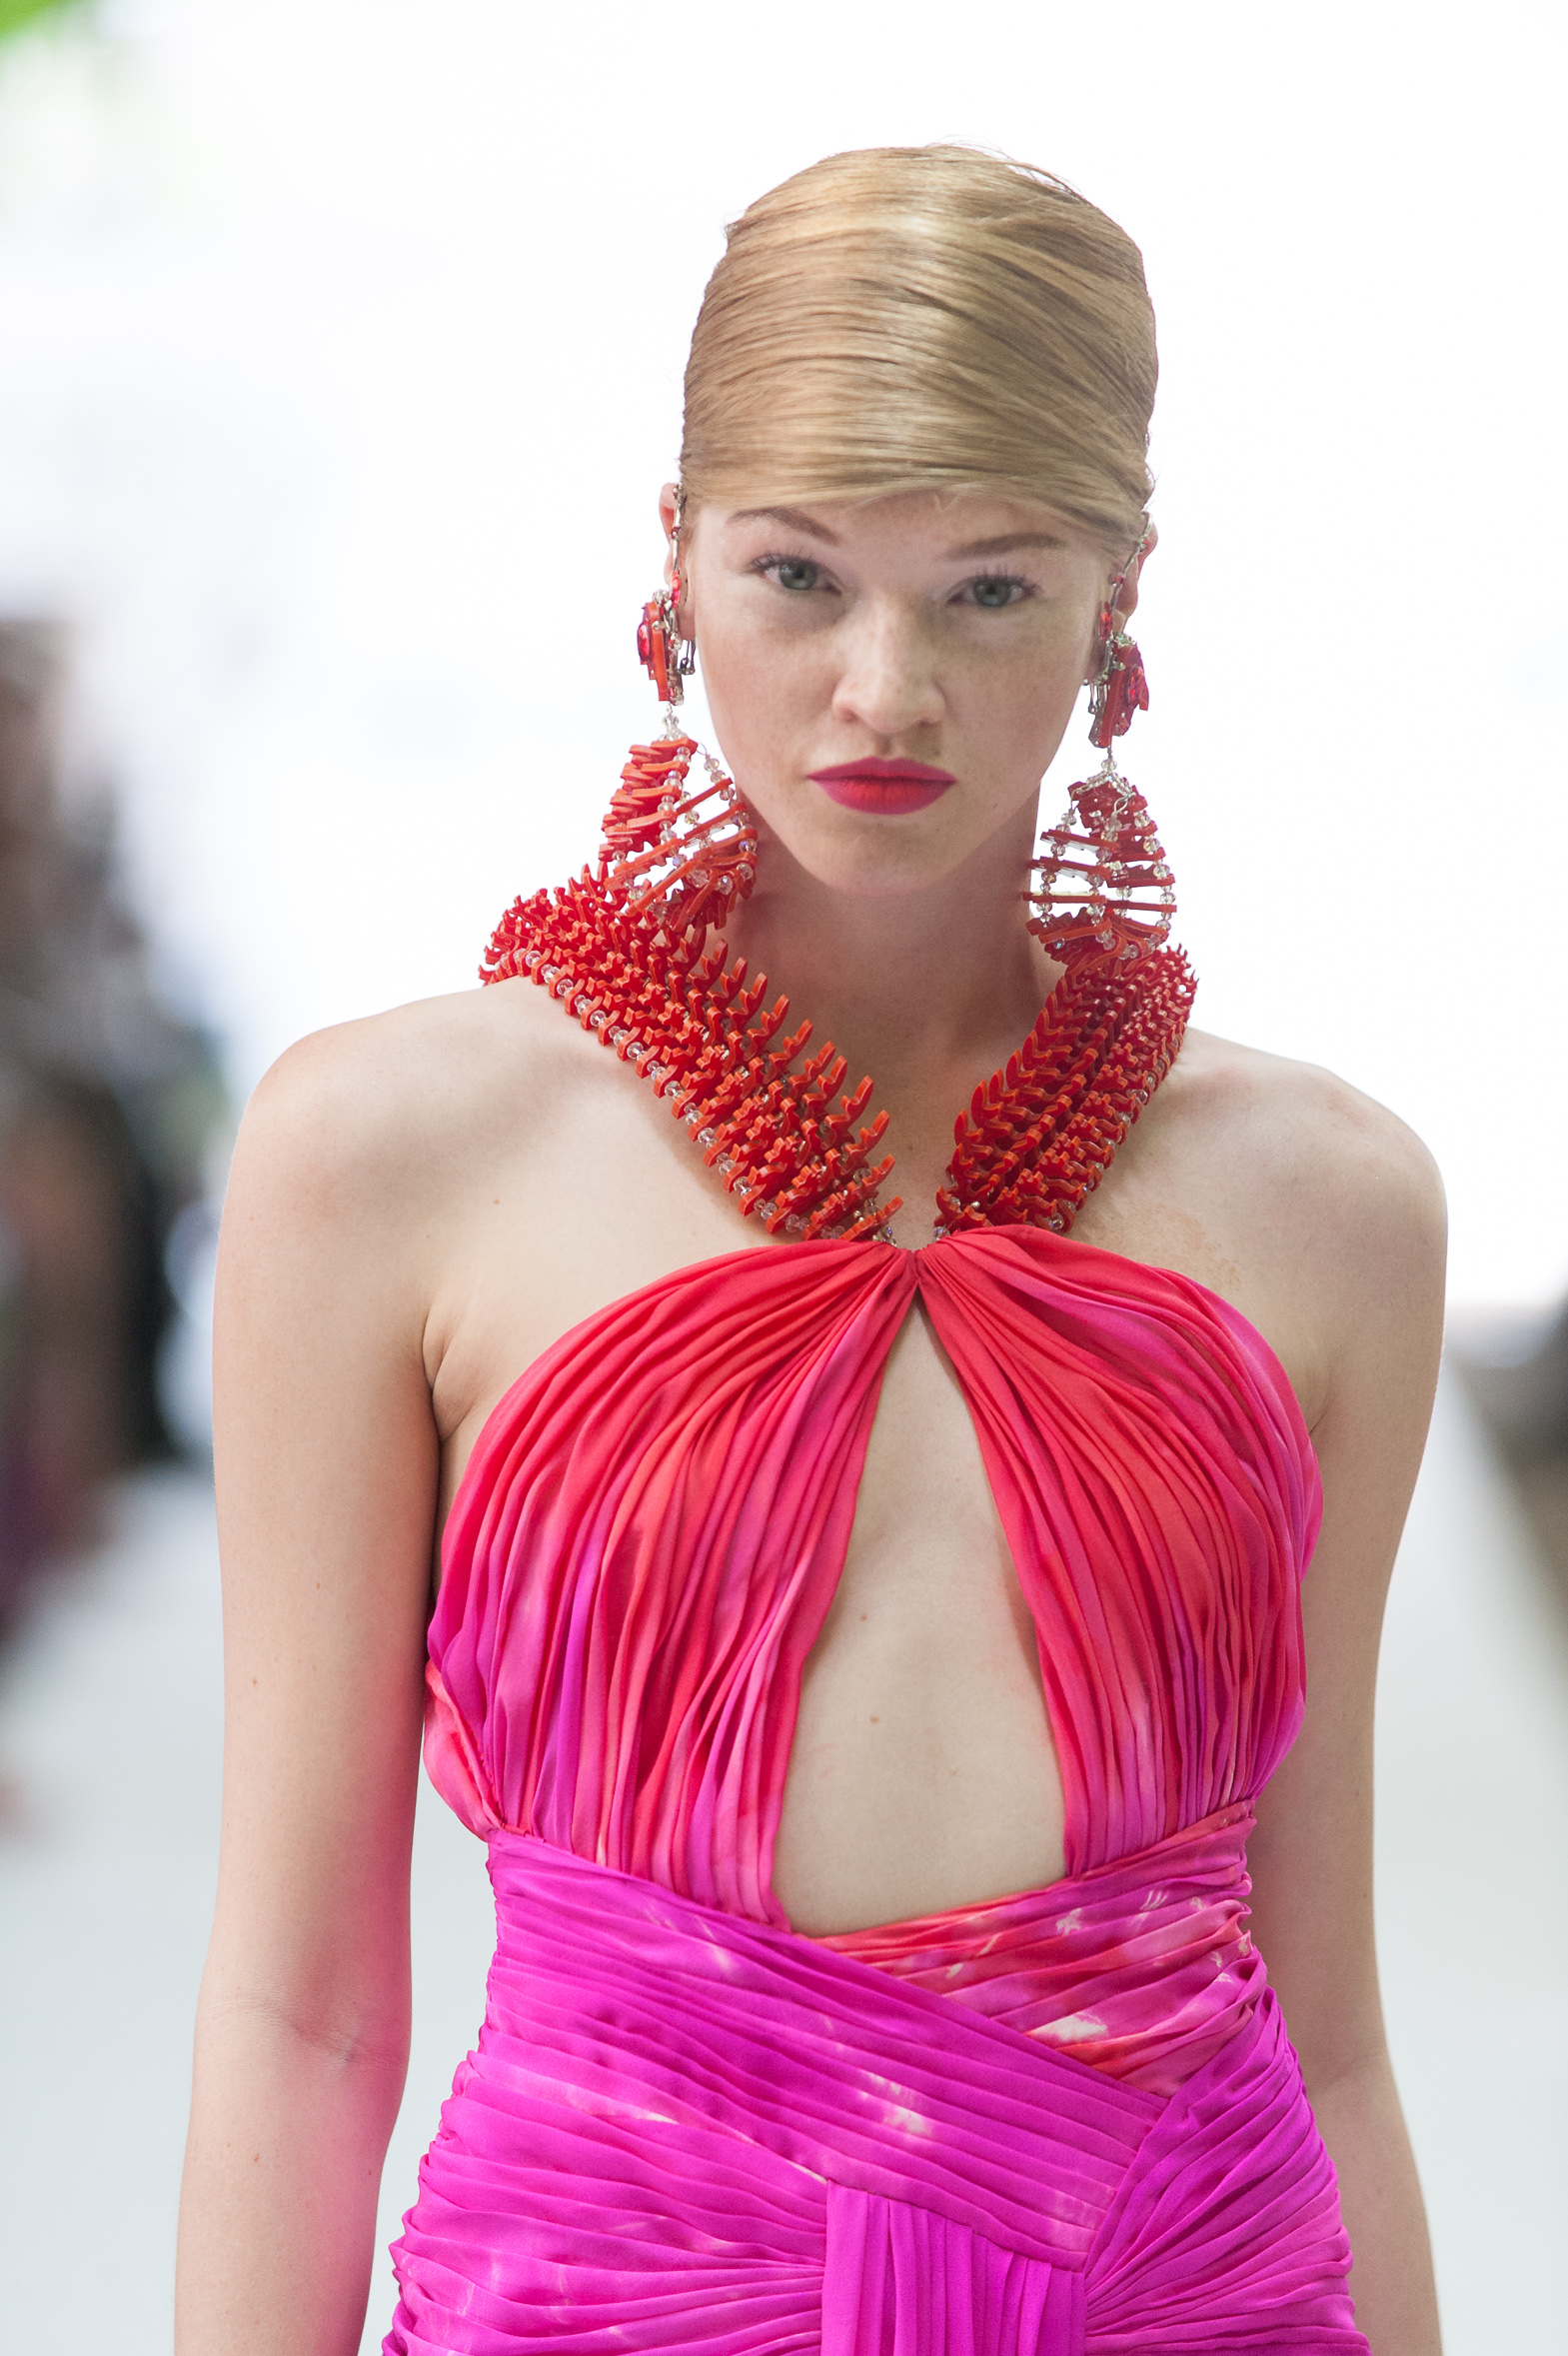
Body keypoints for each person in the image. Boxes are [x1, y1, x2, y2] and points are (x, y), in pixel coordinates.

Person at [176, 147, 1445, 2355]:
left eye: (987, 588)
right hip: (608, 2301)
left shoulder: (1329, 1205)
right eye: (797, 574)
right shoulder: (382, 1156)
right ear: (668, 564)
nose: (885, 689)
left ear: (1118, 605)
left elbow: (1323, 2020)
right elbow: (303, 2013)